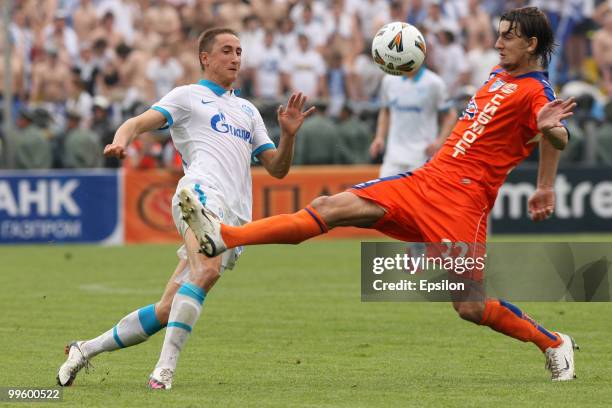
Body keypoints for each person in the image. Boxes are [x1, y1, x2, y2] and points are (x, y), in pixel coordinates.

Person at [185, 8, 580, 381]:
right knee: (328, 207)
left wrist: (549, 146)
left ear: (530, 44)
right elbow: (543, 130)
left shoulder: (536, 91)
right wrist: (544, 180)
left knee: (470, 307)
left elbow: (555, 132)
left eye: (508, 38)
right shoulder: (498, 73)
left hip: (462, 202)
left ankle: (554, 342)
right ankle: (225, 236)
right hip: (425, 181)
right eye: (498, 36)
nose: (498, 44)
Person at [56, 27, 314, 390]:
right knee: (205, 271)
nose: (236, 58)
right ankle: (164, 371)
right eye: (227, 50)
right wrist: (120, 140)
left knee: (166, 308)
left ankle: (84, 349)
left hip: (235, 218)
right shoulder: (188, 97)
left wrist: (288, 136)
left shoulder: (248, 111)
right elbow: (138, 122)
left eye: (239, 51)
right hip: (199, 195)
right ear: (205, 58)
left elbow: (278, 168)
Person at [369, 64, 457, 177]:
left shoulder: (434, 82)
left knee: (417, 194)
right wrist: (379, 137)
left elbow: (450, 114)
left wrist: (439, 142)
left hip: (421, 156)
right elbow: (386, 110)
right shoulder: (389, 80)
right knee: (383, 194)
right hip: (393, 156)